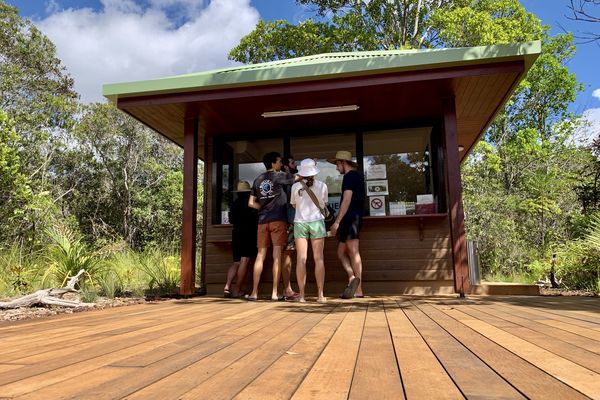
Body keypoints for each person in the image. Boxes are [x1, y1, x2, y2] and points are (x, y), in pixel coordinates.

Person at [248, 152, 299, 301]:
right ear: (272, 164)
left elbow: (251, 203)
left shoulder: (258, 179)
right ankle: (274, 293)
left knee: (260, 255)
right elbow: (297, 178)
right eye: (278, 162)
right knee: (277, 256)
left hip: (262, 221)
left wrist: (263, 208)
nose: (280, 164)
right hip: (278, 220)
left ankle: (254, 293)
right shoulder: (278, 176)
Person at [290, 159, 328, 303]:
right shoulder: (322, 186)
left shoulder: (295, 187)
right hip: (317, 222)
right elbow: (324, 205)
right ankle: (320, 295)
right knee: (319, 259)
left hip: (300, 223)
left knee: (301, 259)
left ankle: (302, 295)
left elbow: (293, 205)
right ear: (314, 171)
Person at [328, 150, 365, 298]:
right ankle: (352, 277)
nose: (336, 168)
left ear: (343, 163)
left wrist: (336, 222)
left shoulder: (350, 177)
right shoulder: (357, 176)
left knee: (354, 252)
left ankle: (359, 289)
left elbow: (347, 200)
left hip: (351, 219)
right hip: (349, 219)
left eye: (337, 164)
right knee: (340, 252)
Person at [223, 181, 258, 298]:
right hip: (248, 234)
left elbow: (231, 220)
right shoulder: (252, 203)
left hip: (236, 234)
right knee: (245, 261)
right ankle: (237, 290)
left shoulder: (234, 203)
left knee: (236, 262)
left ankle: (227, 286)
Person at [281, 155, 299, 300]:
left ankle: (289, 289)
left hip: (293, 221)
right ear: (287, 167)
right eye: (293, 163)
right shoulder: (289, 181)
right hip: (292, 221)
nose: (296, 164)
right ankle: (287, 289)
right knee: (289, 253)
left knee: (291, 254)